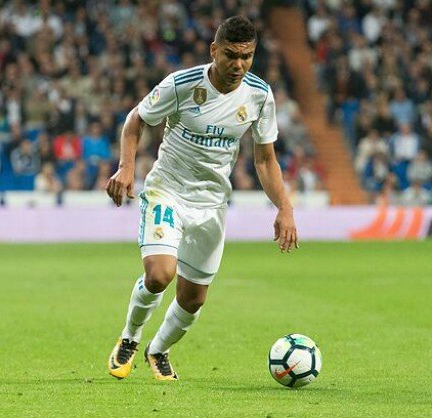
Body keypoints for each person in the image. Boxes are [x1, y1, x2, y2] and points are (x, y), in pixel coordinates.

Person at [105, 16, 298, 381]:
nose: (239, 65)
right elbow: (136, 120)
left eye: (247, 56)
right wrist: (127, 168)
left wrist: (285, 207)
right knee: (161, 275)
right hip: (168, 191)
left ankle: (157, 350)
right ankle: (130, 338)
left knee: (193, 299)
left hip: (211, 204)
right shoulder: (181, 84)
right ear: (214, 51)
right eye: (231, 55)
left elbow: (265, 158)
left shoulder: (259, 95)